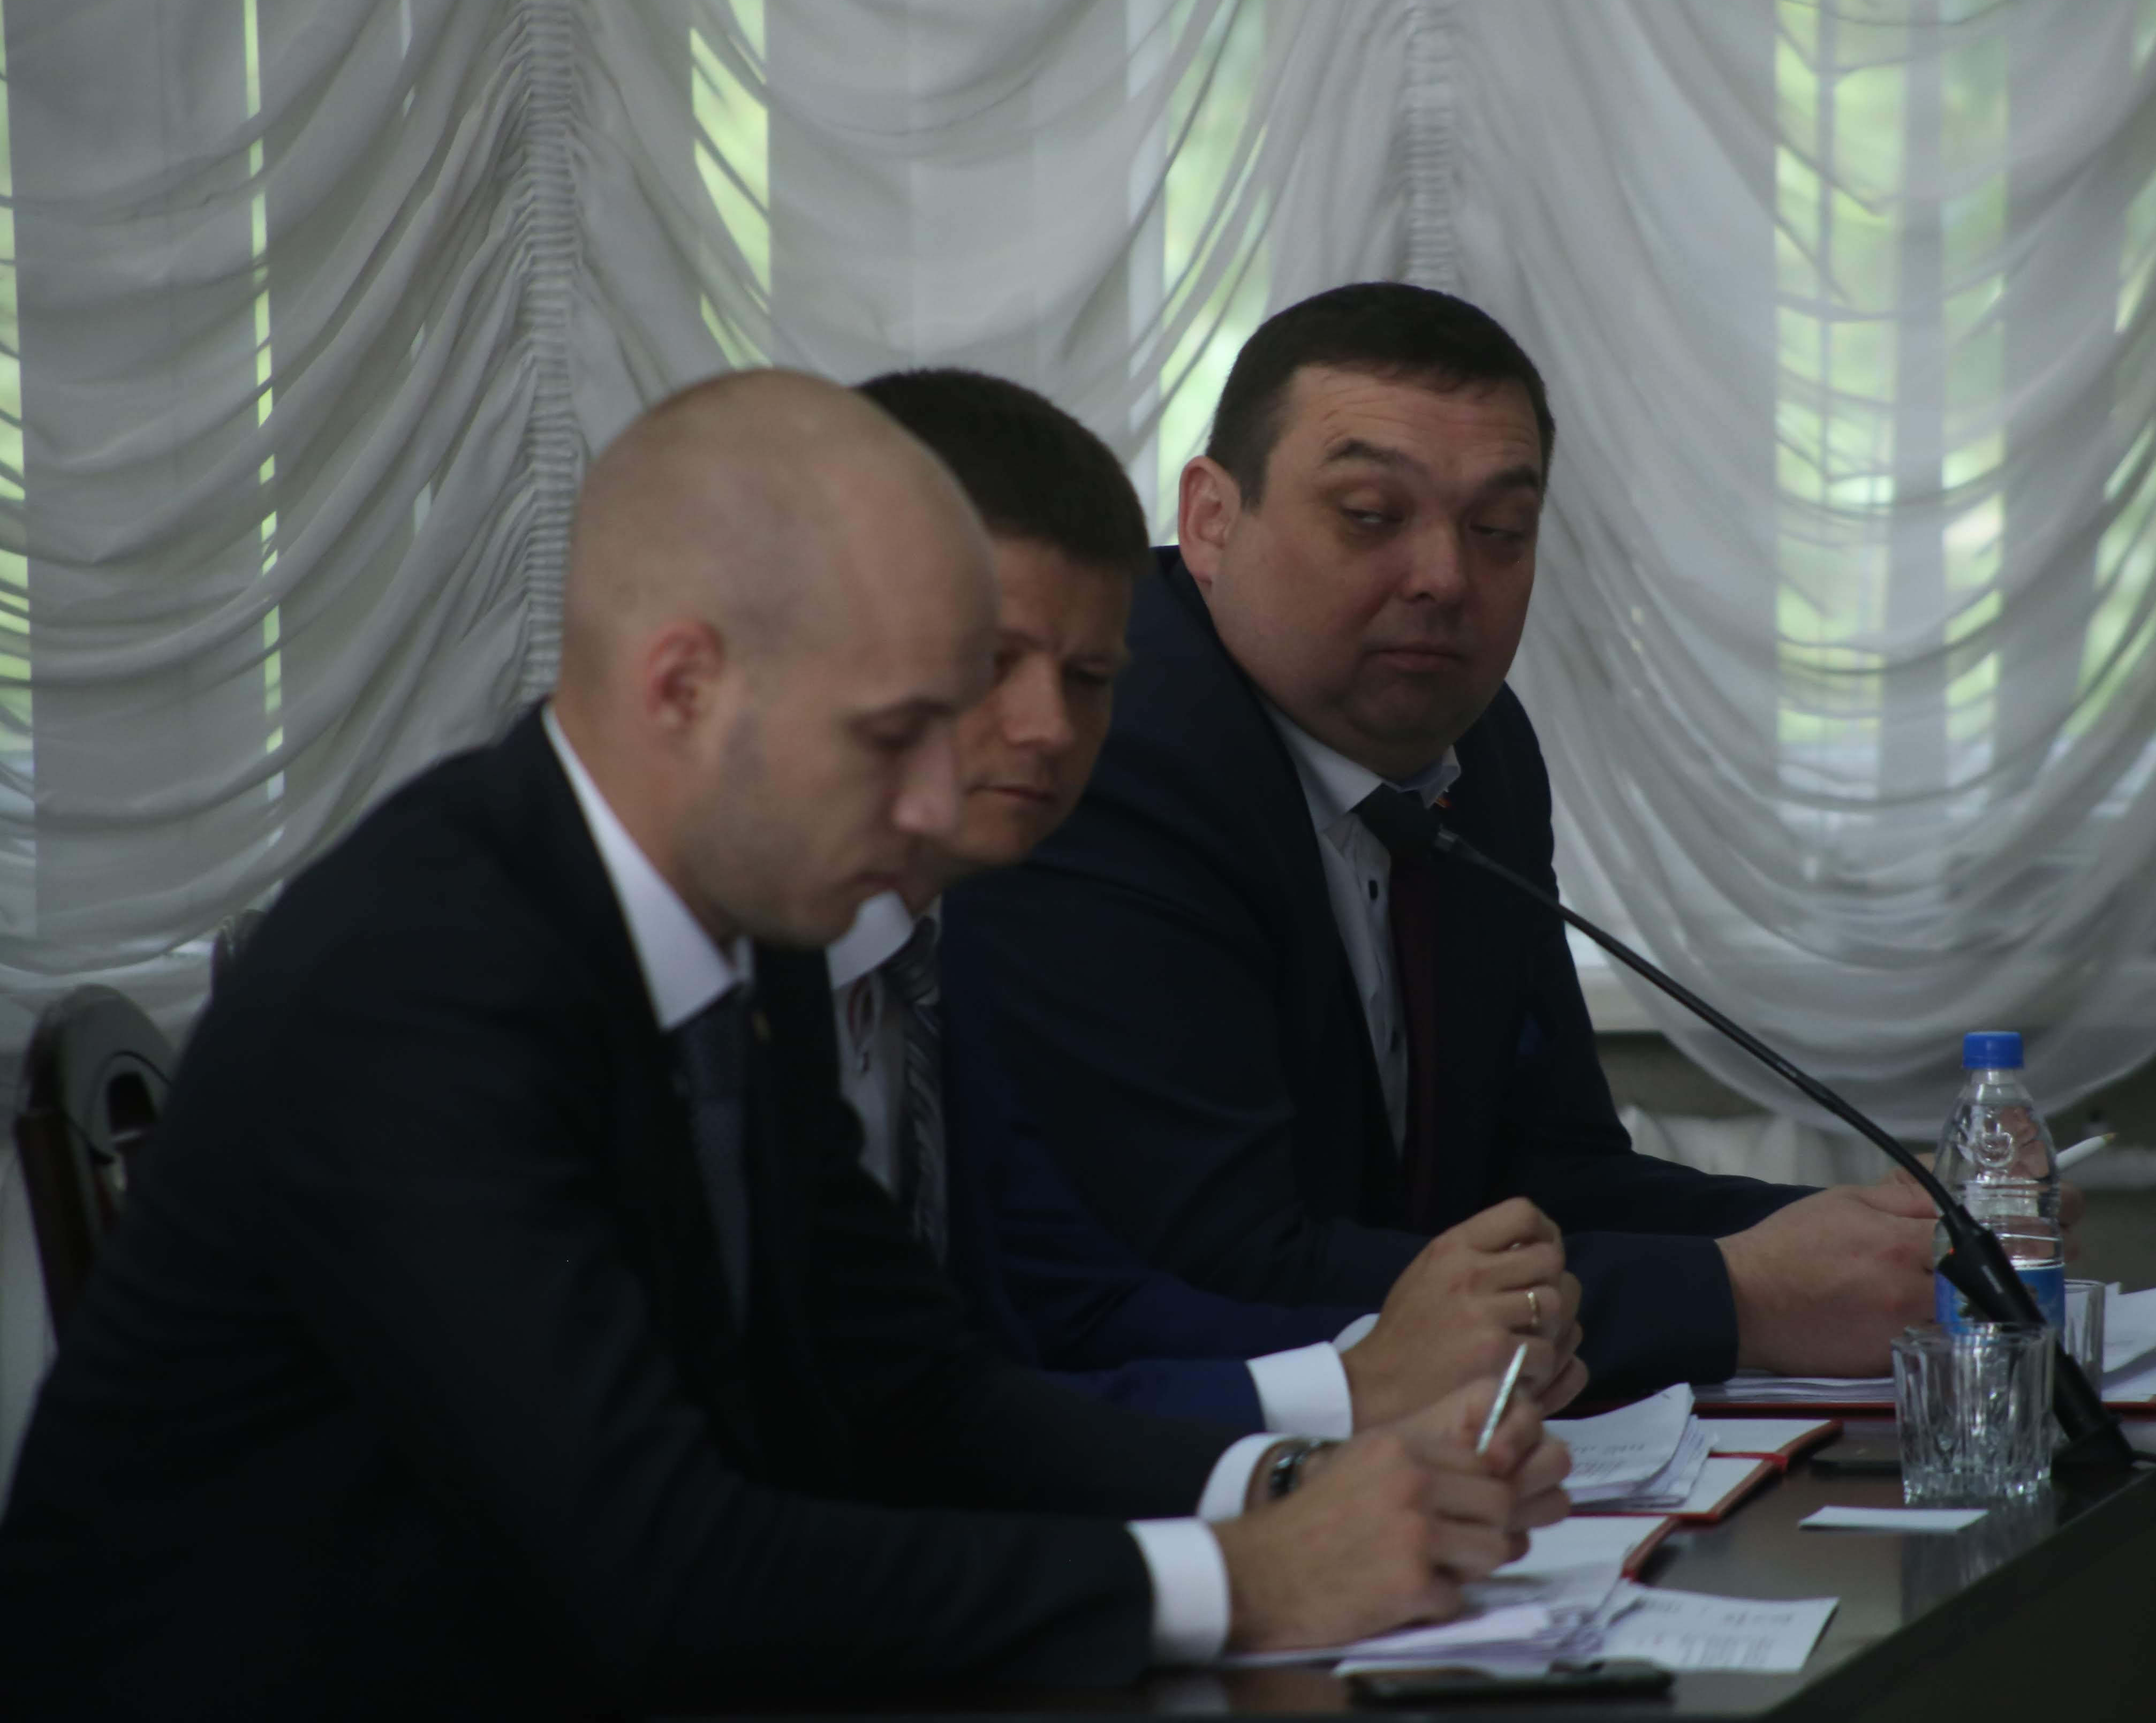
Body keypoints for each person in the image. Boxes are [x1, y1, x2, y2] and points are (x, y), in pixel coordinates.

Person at [0, 370, 1569, 1719]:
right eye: (892, 735)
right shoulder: (419, 978)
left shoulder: (738, 935)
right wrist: (1238, 1577)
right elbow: (660, 1568)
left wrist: (1286, 1489)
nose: (939, 805)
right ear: (682, 684)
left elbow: (911, 1390)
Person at [951, 284, 1945, 1392]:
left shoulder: (1481, 747)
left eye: (1498, 531)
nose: (1444, 578)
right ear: (1213, 520)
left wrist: (1866, 1241)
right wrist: (1736, 1296)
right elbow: (1223, 1261)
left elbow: (1544, 1174)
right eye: (1371, 516)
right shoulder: (1110, 750)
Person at [835, 367, 1588, 1437]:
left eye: (1090, 676)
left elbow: (1068, 1307)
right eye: (988, 662)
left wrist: (1372, 1376)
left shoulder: (928, 946)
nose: (1050, 726)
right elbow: (857, 1446)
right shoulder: (686, 993)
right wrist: (1344, 1409)